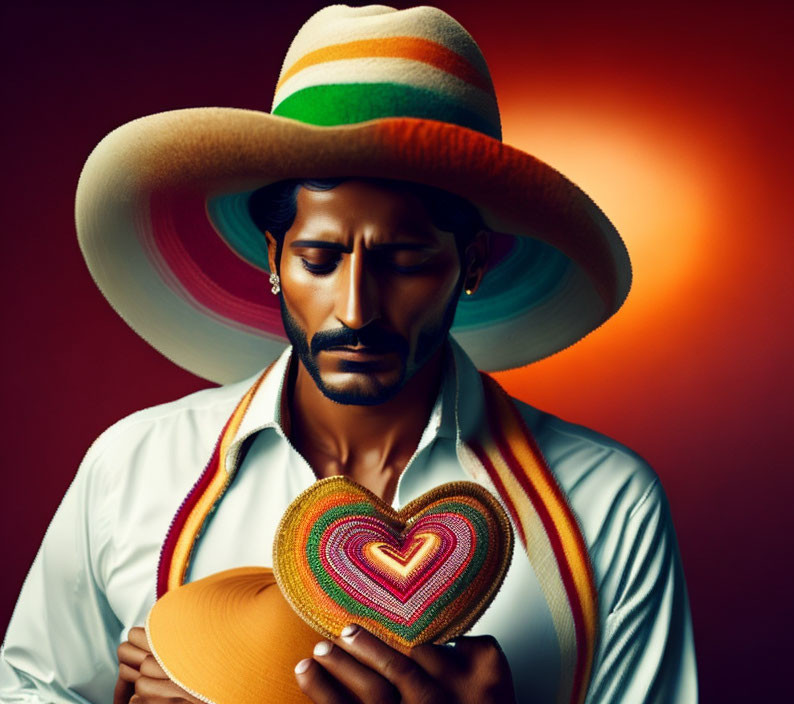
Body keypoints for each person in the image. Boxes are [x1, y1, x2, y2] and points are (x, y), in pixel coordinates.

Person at [0, 5, 697, 704]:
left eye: (404, 258)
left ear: (472, 263)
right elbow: (27, 688)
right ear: (273, 258)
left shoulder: (608, 504)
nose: (356, 308)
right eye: (320, 258)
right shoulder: (133, 469)